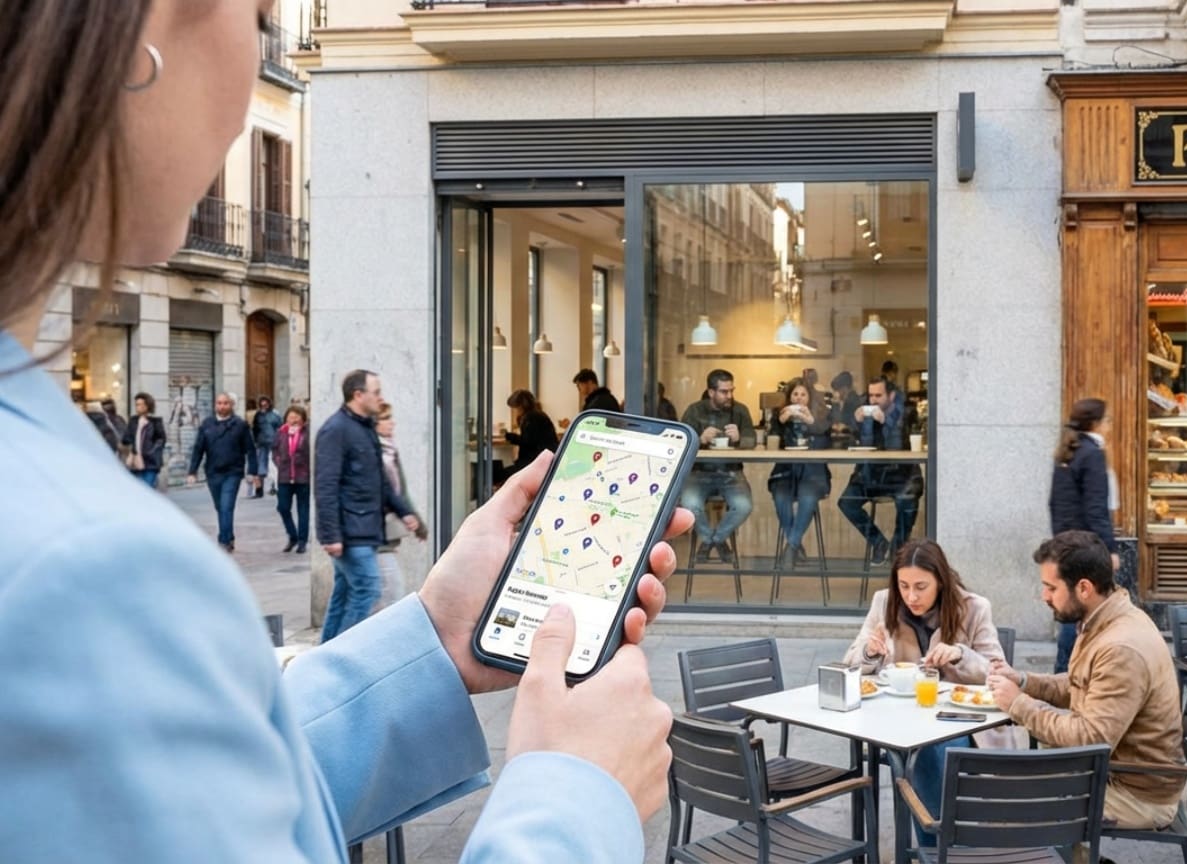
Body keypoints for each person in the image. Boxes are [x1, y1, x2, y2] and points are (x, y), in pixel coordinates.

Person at [0, 4, 692, 858]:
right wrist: (576, 795)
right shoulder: (86, 574)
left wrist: (435, 642)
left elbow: (200, 791)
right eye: (260, 16)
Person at [987, 531, 1185, 834]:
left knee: (1003, 804)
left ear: (1084, 588)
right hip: (1113, 773)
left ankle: (1050, 851)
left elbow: (1091, 739)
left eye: (1051, 587)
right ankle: (1061, 852)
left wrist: (1018, 704)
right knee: (1006, 779)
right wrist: (1024, 681)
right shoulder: (1106, 618)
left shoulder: (1120, 648)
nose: (1044, 596)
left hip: (1134, 793)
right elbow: (1080, 685)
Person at [844, 539, 1003, 845]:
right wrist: (869, 652)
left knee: (930, 749)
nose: (911, 596)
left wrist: (960, 655)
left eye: (921, 587)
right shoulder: (884, 602)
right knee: (918, 748)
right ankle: (943, 849)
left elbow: (998, 671)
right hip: (901, 720)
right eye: (903, 586)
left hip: (961, 721)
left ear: (940, 581)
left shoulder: (973, 607)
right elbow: (850, 661)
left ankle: (942, 847)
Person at [315, 370, 419, 642]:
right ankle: (343, 653)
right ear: (358, 395)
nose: (380, 397)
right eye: (376, 392)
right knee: (368, 589)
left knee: (344, 595)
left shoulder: (364, 429)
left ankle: (325, 652)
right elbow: (326, 485)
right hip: (350, 531)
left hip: (364, 528)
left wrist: (404, 511)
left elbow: (380, 483)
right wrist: (331, 535)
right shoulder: (336, 430)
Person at [1048, 398, 1120, 674]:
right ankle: (1071, 673)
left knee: (1071, 607)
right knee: (1083, 609)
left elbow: (1055, 504)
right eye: (1107, 420)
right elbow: (1096, 508)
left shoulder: (1068, 452)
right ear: (1096, 423)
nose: (1109, 426)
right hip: (1087, 547)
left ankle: (1062, 673)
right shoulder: (1092, 454)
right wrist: (1109, 550)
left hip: (1067, 543)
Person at [838, 376, 922, 565]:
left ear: (891, 396)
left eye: (878, 395)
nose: (873, 400)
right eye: (871, 395)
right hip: (872, 476)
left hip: (902, 476)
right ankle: (879, 542)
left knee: (907, 502)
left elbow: (897, 447)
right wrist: (857, 422)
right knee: (847, 502)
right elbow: (860, 443)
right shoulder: (866, 410)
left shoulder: (906, 411)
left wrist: (885, 422)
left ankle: (897, 553)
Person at [679, 368, 756, 564]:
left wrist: (740, 438)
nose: (729, 395)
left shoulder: (740, 410)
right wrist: (699, 439)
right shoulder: (694, 410)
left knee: (744, 506)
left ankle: (714, 540)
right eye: (724, 391)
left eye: (731, 390)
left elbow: (752, 440)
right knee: (689, 504)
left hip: (731, 473)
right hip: (699, 473)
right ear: (711, 392)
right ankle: (712, 540)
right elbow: (681, 442)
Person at [767, 377, 830, 567]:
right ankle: (795, 545)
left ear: (810, 397)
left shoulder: (820, 416)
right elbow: (770, 444)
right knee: (780, 498)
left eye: (803, 394)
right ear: (789, 397)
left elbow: (826, 443)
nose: (799, 398)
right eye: (795, 394)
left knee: (808, 498)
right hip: (785, 472)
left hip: (813, 474)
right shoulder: (780, 415)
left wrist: (811, 422)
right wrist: (779, 424)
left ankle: (791, 547)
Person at [187, 392, 259, 552]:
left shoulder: (240, 425)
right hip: (213, 472)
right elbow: (198, 449)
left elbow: (250, 449)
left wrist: (252, 471)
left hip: (233, 472)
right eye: (219, 403)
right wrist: (192, 471)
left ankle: (224, 541)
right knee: (220, 507)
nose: (222, 406)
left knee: (226, 506)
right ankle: (229, 535)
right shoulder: (207, 424)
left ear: (231, 405)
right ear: (215, 405)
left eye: (225, 403)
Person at [374, 402, 428, 612]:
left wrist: (418, 522)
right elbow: (386, 492)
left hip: (384, 534)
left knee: (381, 595)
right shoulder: (374, 452)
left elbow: (401, 491)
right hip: (374, 534)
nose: (392, 422)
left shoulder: (390, 450)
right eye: (386, 418)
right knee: (391, 593)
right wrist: (408, 515)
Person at [272, 404, 310, 553]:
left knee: (303, 510)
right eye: (290, 416)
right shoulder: (281, 433)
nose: (293, 420)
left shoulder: (307, 433)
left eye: (296, 417)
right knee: (282, 507)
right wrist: (279, 462)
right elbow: (275, 450)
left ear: (303, 419)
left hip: (303, 476)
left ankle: (302, 541)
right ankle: (292, 535)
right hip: (285, 476)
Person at [505, 389, 558, 476]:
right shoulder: (537, 415)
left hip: (536, 462)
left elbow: (528, 442)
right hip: (544, 459)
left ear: (521, 406)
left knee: (498, 473)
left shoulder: (531, 418)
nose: (515, 411)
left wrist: (511, 437)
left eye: (515, 408)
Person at [122, 392, 167, 489]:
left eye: (140, 404)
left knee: (147, 489)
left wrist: (147, 453)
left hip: (151, 464)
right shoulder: (133, 421)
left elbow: (161, 442)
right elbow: (125, 439)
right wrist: (134, 451)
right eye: (136, 405)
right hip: (134, 463)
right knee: (136, 491)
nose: (138, 407)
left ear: (147, 406)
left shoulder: (155, 422)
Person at [249, 394, 281, 498]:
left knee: (273, 467)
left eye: (265, 405)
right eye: (262, 405)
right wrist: (255, 441)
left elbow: (280, 428)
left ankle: (275, 487)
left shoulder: (275, 415)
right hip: (261, 444)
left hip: (273, 444)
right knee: (260, 467)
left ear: (269, 404)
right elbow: (255, 429)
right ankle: (259, 491)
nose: (264, 407)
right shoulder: (258, 415)